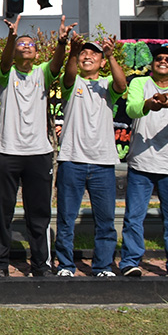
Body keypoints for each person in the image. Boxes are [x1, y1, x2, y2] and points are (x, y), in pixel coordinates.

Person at [0, 15, 72, 277]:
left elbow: (57, 65)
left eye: (30, 45)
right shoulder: (6, 73)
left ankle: (40, 265)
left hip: (39, 153)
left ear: (37, 54)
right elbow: (3, 61)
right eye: (21, 45)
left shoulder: (42, 73)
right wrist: (12, 36)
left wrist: (61, 42)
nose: (26, 47)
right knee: (3, 212)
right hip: (7, 151)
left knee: (39, 213)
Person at [120, 44, 168, 277]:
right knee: (134, 216)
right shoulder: (139, 84)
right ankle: (130, 262)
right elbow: (131, 110)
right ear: (152, 65)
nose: (163, 61)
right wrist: (147, 105)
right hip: (141, 162)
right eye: (159, 58)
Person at [54, 34, 126, 277]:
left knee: (105, 221)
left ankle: (103, 266)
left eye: (93, 54)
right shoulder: (73, 84)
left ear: (102, 61)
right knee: (66, 219)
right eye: (84, 53)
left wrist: (111, 54)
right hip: (72, 160)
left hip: (103, 162)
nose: (88, 56)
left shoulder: (107, 85)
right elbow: (68, 76)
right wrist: (73, 52)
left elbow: (122, 85)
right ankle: (65, 265)